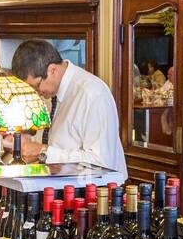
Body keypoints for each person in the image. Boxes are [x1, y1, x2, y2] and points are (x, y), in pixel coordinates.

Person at [10, 39, 128, 179]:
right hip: (58, 189)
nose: (36, 93)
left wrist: (44, 152)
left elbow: (101, 162)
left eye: (37, 86)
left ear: (52, 69)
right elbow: (59, 142)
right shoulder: (50, 93)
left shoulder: (92, 93)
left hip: (95, 193)